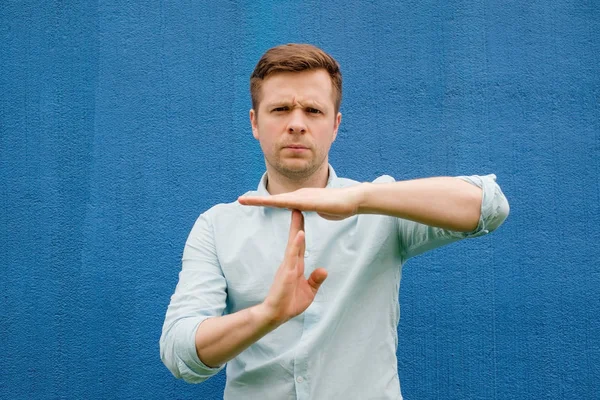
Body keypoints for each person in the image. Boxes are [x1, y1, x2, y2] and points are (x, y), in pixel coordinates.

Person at [160, 43, 509, 400]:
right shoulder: (217, 226)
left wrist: (360, 201)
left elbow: (489, 205)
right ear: (255, 122)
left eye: (313, 110)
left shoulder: (380, 210)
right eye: (280, 109)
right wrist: (267, 315)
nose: (296, 124)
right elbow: (179, 352)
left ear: (335, 125)